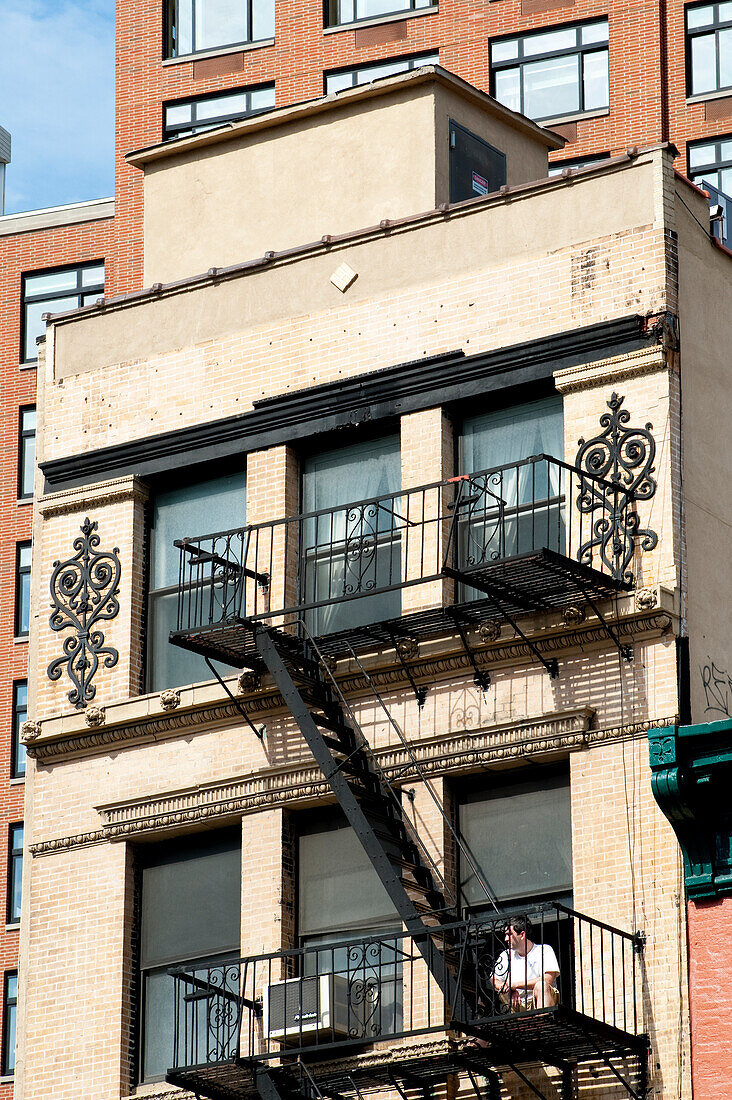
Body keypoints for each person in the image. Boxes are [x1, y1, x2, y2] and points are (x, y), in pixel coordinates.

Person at [492, 917, 560, 1011]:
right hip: (517, 1004)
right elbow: (494, 979)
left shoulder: (544, 950)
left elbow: (548, 979)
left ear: (522, 934)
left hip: (539, 999)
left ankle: (543, 1021)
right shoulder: (506, 955)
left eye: (509, 934)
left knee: (541, 985)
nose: (506, 939)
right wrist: (510, 989)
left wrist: (515, 985)